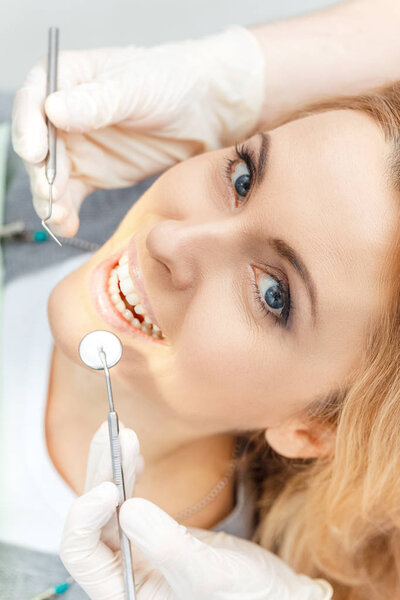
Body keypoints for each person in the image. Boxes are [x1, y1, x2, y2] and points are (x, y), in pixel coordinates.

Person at [4, 0, 400, 599]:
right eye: (242, 177)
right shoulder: (55, 165)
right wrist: (236, 72)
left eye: (273, 294)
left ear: (314, 429)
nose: (168, 239)